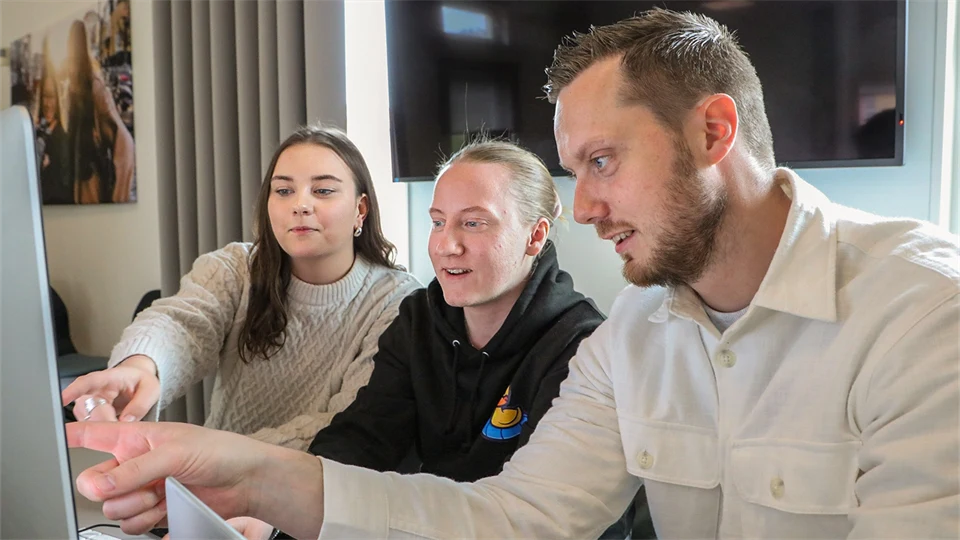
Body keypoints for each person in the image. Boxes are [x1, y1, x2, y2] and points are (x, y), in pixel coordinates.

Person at [67, 8, 960, 540]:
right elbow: (514, 518)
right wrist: (248, 477)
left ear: (713, 133)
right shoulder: (634, 340)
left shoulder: (921, 314)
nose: (583, 209)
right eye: (575, 173)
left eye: (603, 162)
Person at [62, 124, 422, 451]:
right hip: (208, 492)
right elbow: (181, 322)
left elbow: (348, 422)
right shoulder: (236, 269)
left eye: (323, 190)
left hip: (311, 505)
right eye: (283, 190)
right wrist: (142, 366)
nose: (300, 205)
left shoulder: (396, 301)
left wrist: (213, 458)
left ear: (361, 209)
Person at [62, 19, 134, 203]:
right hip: (81, 170)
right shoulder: (80, 86)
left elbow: (119, 133)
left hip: (89, 171)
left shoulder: (92, 86)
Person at [34, 38, 72, 205]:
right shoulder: (40, 132)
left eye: (52, 97)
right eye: (44, 96)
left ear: (58, 99)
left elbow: (63, 187)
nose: (48, 103)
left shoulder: (62, 137)